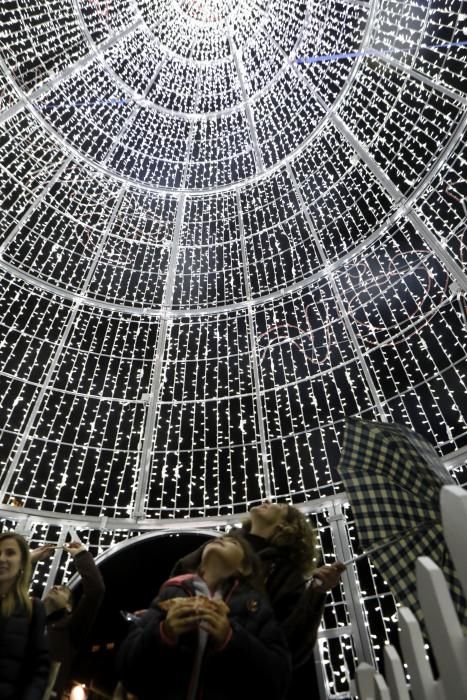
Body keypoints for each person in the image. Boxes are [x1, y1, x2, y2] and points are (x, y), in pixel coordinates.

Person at [116, 532, 292, 700]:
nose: (221, 540)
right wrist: (163, 633)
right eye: (218, 539)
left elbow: (277, 682)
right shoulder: (170, 593)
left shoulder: (257, 608)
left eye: (233, 542)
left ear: (243, 567)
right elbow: (128, 669)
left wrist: (231, 639)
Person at [173, 502, 345, 669]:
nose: (266, 501)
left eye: (279, 505)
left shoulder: (287, 573)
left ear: (284, 526)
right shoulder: (222, 544)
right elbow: (179, 577)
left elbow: (290, 646)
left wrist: (317, 592)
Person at [31, 540, 105, 698]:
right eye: (55, 586)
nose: (56, 587)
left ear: (69, 607)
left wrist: (82, 555)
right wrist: (29, 559)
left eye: (63, 589)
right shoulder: (27, 617)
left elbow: (95, 591)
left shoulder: (71, 628)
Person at [0, 531, 50, 699]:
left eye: (10, 553)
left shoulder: (33, 609)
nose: (1, 559)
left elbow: (39, 670)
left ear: (23, 563)